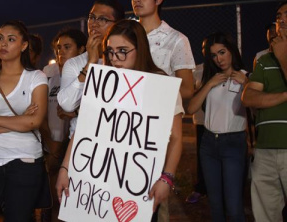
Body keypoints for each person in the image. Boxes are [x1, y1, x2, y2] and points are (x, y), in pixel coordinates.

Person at [55, 19, 184, 220]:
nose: (115, 58)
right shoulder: (103, 81)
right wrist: (65, 168)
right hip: (98, 179)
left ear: (139, 49)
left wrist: (167, 178)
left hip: (140, 184)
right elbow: (86, 129)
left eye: (123, 50)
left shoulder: (162, 84)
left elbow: (176, 138)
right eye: (110, 51)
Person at [0, 20, 48, 221]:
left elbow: (34, 122)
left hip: (25, 160)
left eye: (11, 39)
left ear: (23, 45)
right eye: (0, 38)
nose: (3, 44)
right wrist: (18, 120)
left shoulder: (36, 77)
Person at [187, 32, 249, 221]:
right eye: (214, 55)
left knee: (233, 206)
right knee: (215, 205)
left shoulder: (246, 77)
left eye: (222, 52)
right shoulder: (210, 78)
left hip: (233, 143)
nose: (218, 59)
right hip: (208, 144)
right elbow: (191, 108)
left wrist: (247, 84)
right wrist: (210, 84)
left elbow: (255, 107)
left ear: (231, 51)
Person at [242, 0, 287, 222]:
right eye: (279, 17)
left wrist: (283, 58)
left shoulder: (276, 56)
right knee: (266, 214)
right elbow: (248, 97)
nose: (282, 20)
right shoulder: (264, 60)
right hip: (265, 149)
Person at [57, 0, 124, 139]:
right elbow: (67, 105)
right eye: (92, 17)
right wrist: (91, 63)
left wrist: (79, 110)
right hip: (81, 140)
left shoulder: (126, 60)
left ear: (117, 25)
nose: (94, 24)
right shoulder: (74, 64)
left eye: (103, 19)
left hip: (117, 140)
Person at [40, 28, 87, 222]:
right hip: (48, 144)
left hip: (72, 145)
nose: (61, 52)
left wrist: (74, 113)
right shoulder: (49, 74)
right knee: (48, 197)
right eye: (58, 48)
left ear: (82, 50)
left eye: (67, 47)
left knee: (67, 200)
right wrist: (50, 143)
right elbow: (40, 110)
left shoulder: (87, 74)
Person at [131, 0, 195, 99]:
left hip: (157, 113)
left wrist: (150, 90)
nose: (137, 0)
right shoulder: (126, 34)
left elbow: (187, 90)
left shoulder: (177, 39)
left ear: (158, 0)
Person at [185, 63, 208, 204]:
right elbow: (188, 91)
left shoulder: (224, 68)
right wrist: (200, 90)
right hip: (201, 119)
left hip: (221, 122)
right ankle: (201, 188)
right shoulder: (198, 70)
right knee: (201, 156)